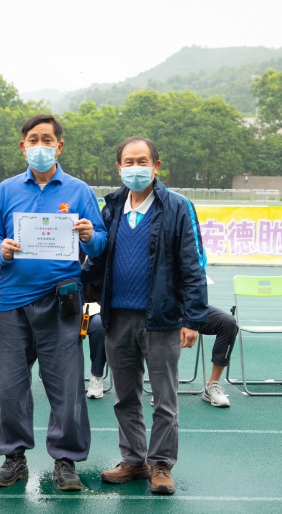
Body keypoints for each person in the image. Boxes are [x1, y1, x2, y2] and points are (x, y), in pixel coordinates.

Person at [0, 115, 108, 491]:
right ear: (23, 146)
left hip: (61, 302)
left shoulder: (79, 191)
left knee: (67, 386)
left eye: (48, 139)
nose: (40, 146)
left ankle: (65, 460)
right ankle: (14, 458)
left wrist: (89, 236)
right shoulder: (5, 191)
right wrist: (2, 250)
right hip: (12, 302)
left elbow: (101, 243)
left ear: (60, 145)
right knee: (9, 385)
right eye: (34, 139)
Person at [82, 136, 208, 495]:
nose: (135, 168)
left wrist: (192, 319)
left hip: (162, 318)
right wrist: (65, 277)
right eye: (128, 162)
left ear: (156, 166)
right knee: (125, 396)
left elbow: (194, 265)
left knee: (164, 398)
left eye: (142, 161)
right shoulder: (111, 207)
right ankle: (134, 459)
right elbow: (98, 260)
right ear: (118, 167)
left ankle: (161, 463)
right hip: (117, 318)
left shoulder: (178, 207)